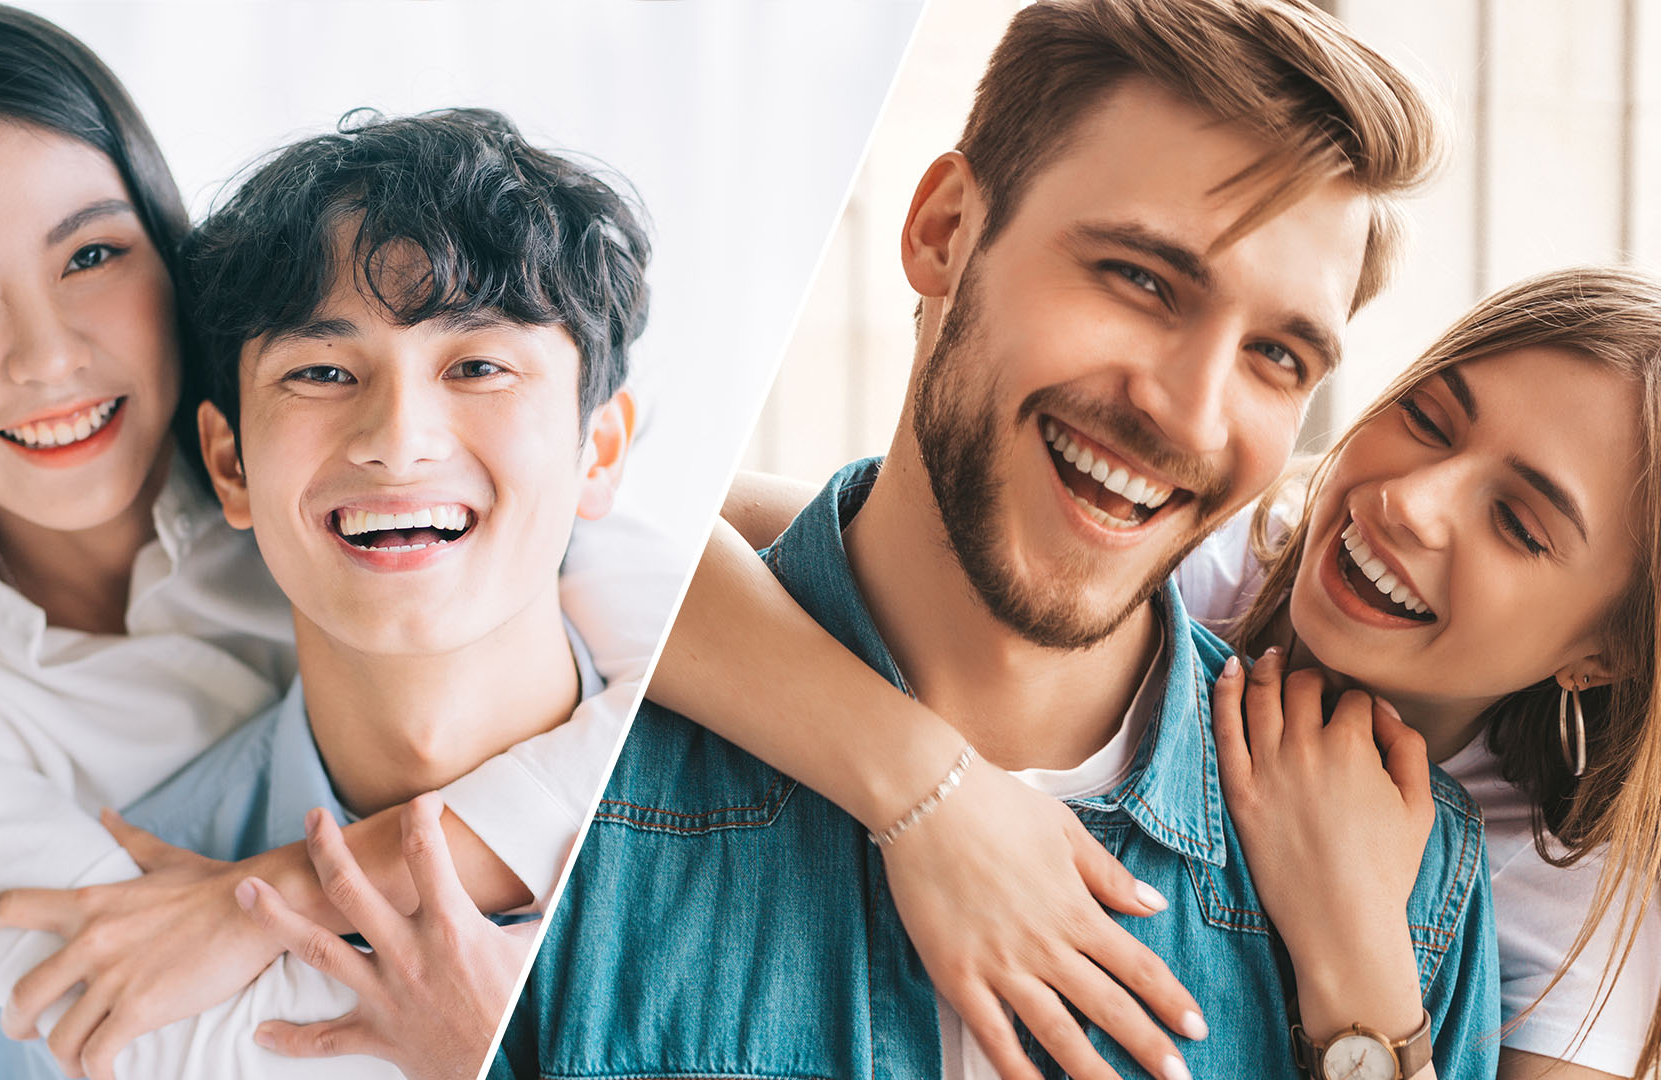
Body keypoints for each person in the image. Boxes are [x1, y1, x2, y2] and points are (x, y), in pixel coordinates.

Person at [495, 1, 1492, 1078]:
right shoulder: (566, 762)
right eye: (1142, 279)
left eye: (1279, 357)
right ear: (943, 233)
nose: (1193, 417)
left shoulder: (1405, 892)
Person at [0, 6, 665, 1077]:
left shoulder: (429, 487)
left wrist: (263, 898)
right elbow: (120, 1010)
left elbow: (678, 664)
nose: (48, 359)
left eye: (90, 254)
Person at [668, 268, 1661, 1080]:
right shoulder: (1180, 557)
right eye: (1434, 421)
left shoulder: (1576, 897)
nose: (1412, 502)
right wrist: (932, 790)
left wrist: (1358, 966)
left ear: (1603, 652)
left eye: (1520, 524)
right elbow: (655, 535)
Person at [0, 106, 646, 1080]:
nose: (397, 437)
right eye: (323, 371)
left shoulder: (762, 811)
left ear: (602, 451)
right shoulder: (106, 951)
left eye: (479, 365)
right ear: (229, 463)